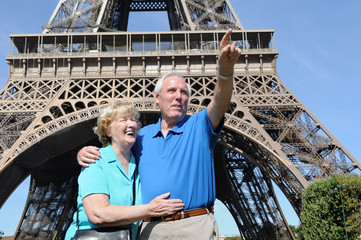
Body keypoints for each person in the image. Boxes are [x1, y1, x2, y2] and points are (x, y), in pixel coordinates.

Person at [77, 29, 241, 239]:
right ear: (156, 97)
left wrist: (225, 71)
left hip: (195, 226)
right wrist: (82, 153)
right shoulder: (140, 137)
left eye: (184, 93)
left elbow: (219, 103)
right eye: (171, 91)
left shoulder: (199, 125)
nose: (178, 97)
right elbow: (115, 153)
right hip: (150, 229)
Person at [65, 101, 184, 240]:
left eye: (133, 120)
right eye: (123, 120)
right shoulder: (96, 161)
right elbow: (98, 214)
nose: (131, 124)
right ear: (108, 130)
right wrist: (150, 209)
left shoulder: (140, 164)